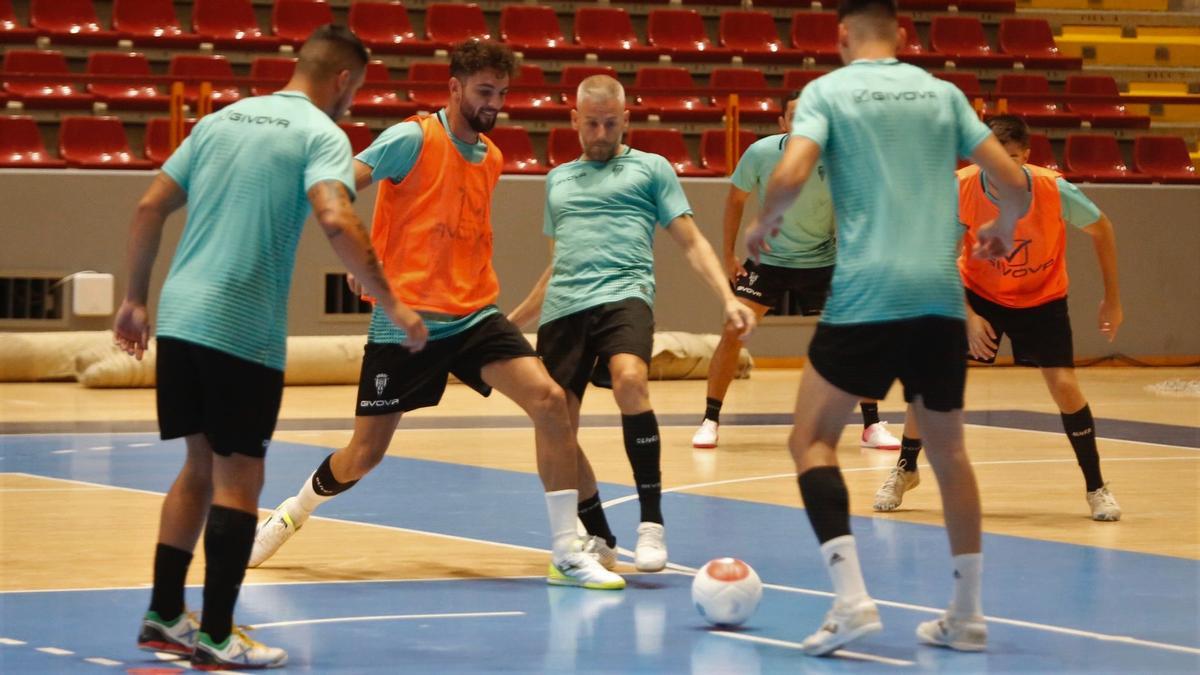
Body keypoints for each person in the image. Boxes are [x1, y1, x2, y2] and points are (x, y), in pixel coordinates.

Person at [248, 40, 624, 591]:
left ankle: (570, 550)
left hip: (474, 316)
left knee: (549, 402)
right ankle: (292, 512)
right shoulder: (412, 138)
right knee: (363, 455)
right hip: (406, 324)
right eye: (483, 92)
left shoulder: (491, 157)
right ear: (454, 88)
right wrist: (359, 257)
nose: (493, 103)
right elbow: (336, 188)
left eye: (501, 92)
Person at [114, 26, 423, 669]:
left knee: (198, 469)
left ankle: (164, 615)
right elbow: (337, 217)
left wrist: (134, 299)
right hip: (241, 327)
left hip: (179, 317)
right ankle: (218, 635)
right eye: (356, 90)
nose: (352, 103)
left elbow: (148, 207)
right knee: (240, 476)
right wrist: (391, 302)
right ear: (343, 81)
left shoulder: (218, 122)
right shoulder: (319, 134)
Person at [743, 0, 1030, 656]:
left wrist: (766, 221)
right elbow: (1013, 180)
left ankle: (850, 599)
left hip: (868, 294)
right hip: (937, 298)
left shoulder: (828, 91)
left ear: (842, 36)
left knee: (811, 437)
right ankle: (967, 612)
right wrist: (1003, 227)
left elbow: (789, 170)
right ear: (900, 35)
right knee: (950, 452)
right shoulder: (941, 93)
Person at [508, 75, 757, 573]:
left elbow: (691, 242)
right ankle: (598, 533)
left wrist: (728, 299)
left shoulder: (651, 169)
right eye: (592, 124)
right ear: (574, 120)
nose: (601, 134)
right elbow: (557, 265)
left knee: (630, 380)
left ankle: (652, 524)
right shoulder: (558, 180)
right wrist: (510, 323)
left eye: (610, 123)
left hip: (625, 296)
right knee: (556, 428)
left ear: (627, 120)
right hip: (564, 310)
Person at [873, 115, 1123, 521]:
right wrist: (968, 315)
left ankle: (1096, 486)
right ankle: (906, 467)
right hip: (977, 291)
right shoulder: (962, 188)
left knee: (1064, 385)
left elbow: (1103, 229)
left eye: (1010, 158)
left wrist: (1112, 299)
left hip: (1042, 296)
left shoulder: (1053, 190)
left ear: (1025, 156)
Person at [689, 91, 901, 452]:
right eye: (796, 116)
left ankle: (871, 425)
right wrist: (728, 255)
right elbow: (735, 201)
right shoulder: (760, 154)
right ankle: (711, 419)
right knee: (733, 327)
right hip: (768, 261)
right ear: (783, 123)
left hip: (823, 259)